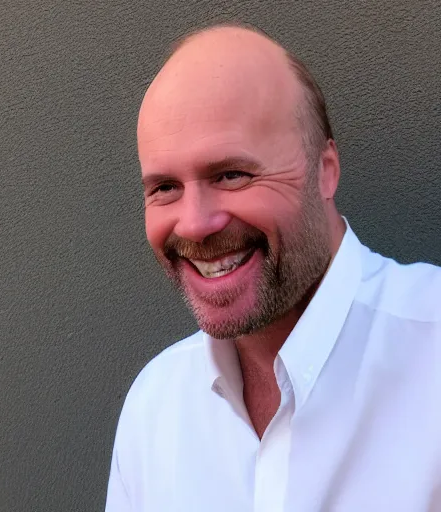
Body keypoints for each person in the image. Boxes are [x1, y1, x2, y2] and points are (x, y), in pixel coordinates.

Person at [105, 22, 441, 511]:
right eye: (164, 188)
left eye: (232, 174)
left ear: (325, 171)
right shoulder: (153, 408)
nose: (195, 225)